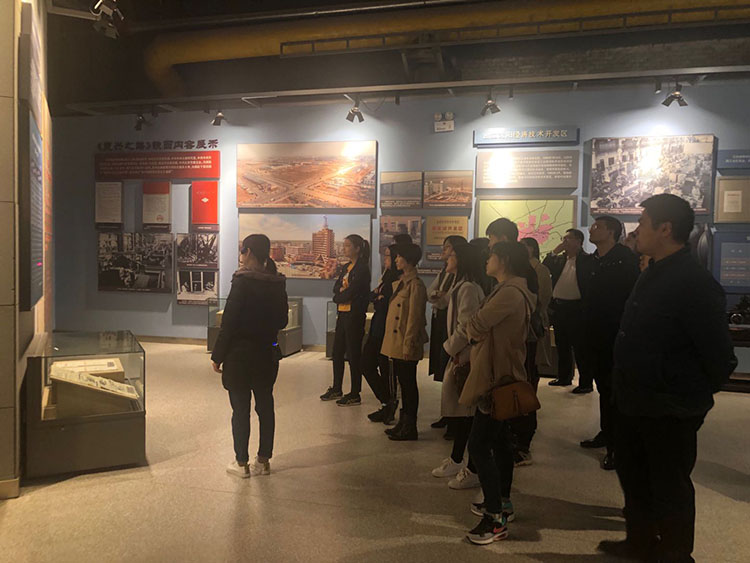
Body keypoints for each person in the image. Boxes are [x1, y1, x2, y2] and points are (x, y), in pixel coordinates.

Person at [599, 195, 736, 562]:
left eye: (643, 223)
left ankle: (675, 554)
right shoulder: (652, 272)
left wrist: (686, 401)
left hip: (668, 409)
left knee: (670, 487)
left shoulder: (694, 283)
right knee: (634, 477)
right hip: (633, 401)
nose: (636, 230)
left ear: (665, 229)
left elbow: (720, 357)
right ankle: (640, 542)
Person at [460, 241, 536, 545]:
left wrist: (472, 330)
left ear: (503, 260)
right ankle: (503, 503)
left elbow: (476, 324)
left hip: (495, 377)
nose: (487, 260)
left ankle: (494, 519)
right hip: (501, 372)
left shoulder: (509, 293)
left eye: (491, 255)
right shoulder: (511, 290)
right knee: (500, 442)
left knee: (478, 445)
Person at [212, 234, 289, 479]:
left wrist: (217, 355)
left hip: (240, 355)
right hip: (267, 353)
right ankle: (264, 460)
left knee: (240, 409)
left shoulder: (242, 281)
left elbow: (229, 323)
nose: (241, 255)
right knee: (265, 407)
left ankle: (241, 463)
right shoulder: (277, 282)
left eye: (242, 250)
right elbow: (283, 321)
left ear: (250, 253)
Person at [579, 216, 640, 471]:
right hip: (595, 333)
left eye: (598, 227)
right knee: (603, 388)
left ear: (612, 232)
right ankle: (607, 433)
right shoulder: (592, 260)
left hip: (615, 334)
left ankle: (617, 447)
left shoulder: (626, 261)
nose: (592, 229)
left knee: (615, 392)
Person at [431, 243, 485, 488]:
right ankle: (456, 458)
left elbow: (467, 326)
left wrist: (449, 348)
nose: (447, 259)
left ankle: (470, 467)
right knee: (463, 412)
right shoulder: (459, 285)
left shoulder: (469, 288)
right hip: (460, 353)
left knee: (468, 412)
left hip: (465, 355)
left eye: (451, 255)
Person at [381, 243, 429, 441]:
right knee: (403, 383)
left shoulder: (416, 285)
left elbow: (415, 319)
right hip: (397, 341)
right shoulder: (402, 282)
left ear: (408, 260)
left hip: (405, 342)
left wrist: (408, 344)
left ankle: (410, 426)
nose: (396, 260)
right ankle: (403, 422)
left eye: (399, 256)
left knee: (408, 385)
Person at [513, 237, 553, 466]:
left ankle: (523, 442)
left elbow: (542, 301)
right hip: (518, 339)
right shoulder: (518, 275)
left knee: (527, 383)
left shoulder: (535, 272)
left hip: (528, 336)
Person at [320, 234, 371, 406]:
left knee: (353, 354)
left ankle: (355, 392)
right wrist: (340, 295)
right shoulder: (346, 267)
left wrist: (339, 296)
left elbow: (353, 292)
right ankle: (337, 388)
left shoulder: (362, 269)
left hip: (354, 315)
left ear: (357, 248)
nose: (344, 248)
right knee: (337, 352)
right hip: (342, 314)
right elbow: (336, 288)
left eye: (348, 245)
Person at [543, 229, 591, 391]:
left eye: (568, 238)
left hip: (577, 308)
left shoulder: (587, 260)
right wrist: (555, 251)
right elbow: (545, 267)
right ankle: (564, 377)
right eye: (564, 238)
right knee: (561, 344)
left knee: (580, 346)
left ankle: (585, 383)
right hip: (559, 307)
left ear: (578, 241)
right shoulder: (559, 259)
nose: (565, 241)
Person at [428, 235, 467, 431]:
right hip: (442, 322)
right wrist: (437, 296)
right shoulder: (445, 272)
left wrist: (439, 298)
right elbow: (431, 293)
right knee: (444, 371)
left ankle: (455, 420)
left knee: (454, 372)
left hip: (453, 329)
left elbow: (445, 301)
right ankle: (448, 415)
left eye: (449, 249)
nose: (445, 252)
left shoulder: (465, 283)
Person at [363, 244, 401, 424]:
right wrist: (377, 298)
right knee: (366, 364)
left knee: (386, 370)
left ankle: (388, 404)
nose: (385, 259)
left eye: (388, 256)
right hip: (377, 328)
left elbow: (383, 304)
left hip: (387, 329)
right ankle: (386, 401)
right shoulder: (386, 278)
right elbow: (373, 297)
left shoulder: (397, 281)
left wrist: (378, 299)